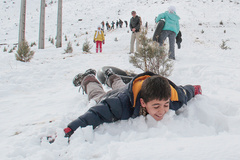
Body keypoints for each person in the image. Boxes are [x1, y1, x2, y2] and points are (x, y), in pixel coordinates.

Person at [64, 68, 202, 138]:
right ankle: (88, 77)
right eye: (156, 106)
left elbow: (185, 92)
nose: (162, 111)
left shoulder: (171, 97)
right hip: (118, 96)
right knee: (97, 95)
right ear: (143, 102)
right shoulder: (119, 105)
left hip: (131, 89)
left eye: (165, 105)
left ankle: (111, 75)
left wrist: (195, 89)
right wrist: (72, 128)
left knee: (120, 85)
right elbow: (97, 113)